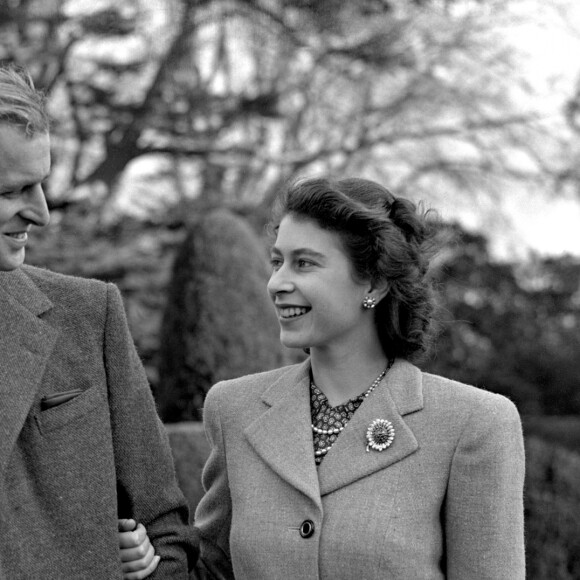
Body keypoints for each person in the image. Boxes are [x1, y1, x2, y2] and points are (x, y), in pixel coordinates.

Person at [190, 176, 526, 579]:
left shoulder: (474, 424)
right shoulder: (233, 409)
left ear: (374, 282)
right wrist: (148, 558)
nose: (277, 283)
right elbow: (211, 570)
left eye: (305, 263)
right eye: (277, 262)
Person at [0, 63, 197, 578]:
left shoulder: (88, 315)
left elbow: (167, 533)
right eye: (10, 192)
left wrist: (150, 569)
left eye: (40, 185)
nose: (40, 213)